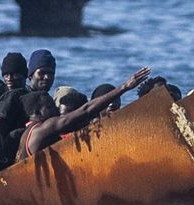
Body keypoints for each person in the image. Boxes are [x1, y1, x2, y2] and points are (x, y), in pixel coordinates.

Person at [15, 67, 151, 162]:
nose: (55, 110)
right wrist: (124, 87)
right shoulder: (41, 130)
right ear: (37, 112)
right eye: (50, 107)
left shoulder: (27, 132)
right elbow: (86, 110)